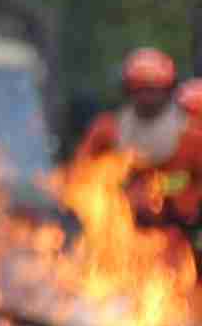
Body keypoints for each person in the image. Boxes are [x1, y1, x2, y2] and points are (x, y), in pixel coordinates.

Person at [77, 49, 200, 245]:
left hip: (176, 233)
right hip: (120, 233)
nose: (145, 96)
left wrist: (177, 200)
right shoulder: (106, 130)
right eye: (138, 88)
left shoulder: (192, 136)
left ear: (167, 89)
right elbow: (81, 173)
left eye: (152, 89)